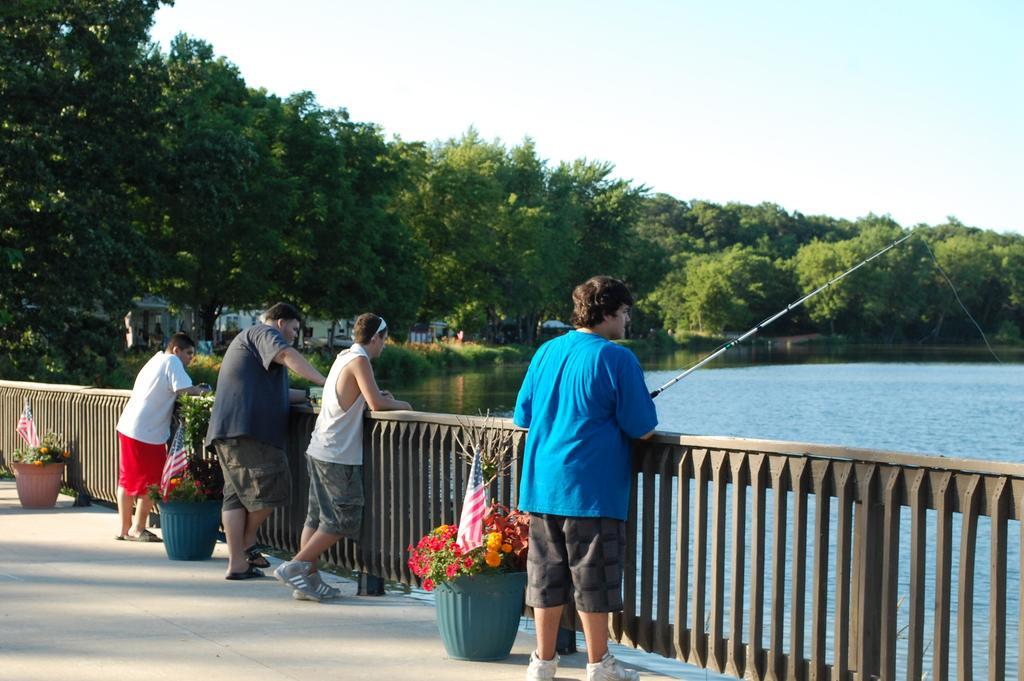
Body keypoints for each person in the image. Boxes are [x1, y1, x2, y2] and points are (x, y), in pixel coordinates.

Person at [513, 276, 658, 681]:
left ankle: (542, 663)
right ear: (608, 312)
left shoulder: (545, 352)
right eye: (626, 311)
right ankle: (599, 665)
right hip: (591, 489)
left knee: (545, 577)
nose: (628, 320)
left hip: (542, 486)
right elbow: (643, 426)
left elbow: (522, 415)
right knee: (594, 579)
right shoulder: (617, 359)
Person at [274, 313, 411, 601]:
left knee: (315, 518)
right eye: (383, 341)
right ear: (375, 338)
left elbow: (356, 396)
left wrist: (375, 395)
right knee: (343, 519)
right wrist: (403, 404)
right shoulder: (360, 360)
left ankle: (307, 582)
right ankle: (296, 566)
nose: (383, 347)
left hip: (319, 448)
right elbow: (376, 402)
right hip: (338, 455)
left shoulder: (343, 357)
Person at [205, 302, 327, 580]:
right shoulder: (264, 333)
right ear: (281, 322)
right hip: (247, 432)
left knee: (235, 497)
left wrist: (311, 395)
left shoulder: (251, 344)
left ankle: (237, 563)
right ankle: (248, 541)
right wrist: (326, 381)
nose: (295, 335)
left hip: (228, 430)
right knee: (274, 488)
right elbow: (287, 353)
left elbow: (282, 394)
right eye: (294, 329)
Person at [115, 332, 211, 541]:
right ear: (176, 350)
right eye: (188, 353)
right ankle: (138, 529)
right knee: (152, 482)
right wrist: (204, 391)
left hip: (130, 425)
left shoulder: (155, 359)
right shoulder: (172, 361)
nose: (190, 358)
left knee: (127, 479)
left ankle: (124, 528)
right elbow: (184, 391)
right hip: (147, 431)